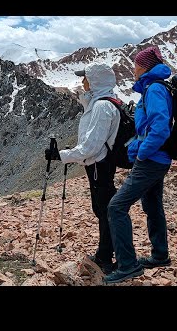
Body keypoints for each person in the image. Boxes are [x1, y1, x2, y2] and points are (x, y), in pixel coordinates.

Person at [104, 45, 173, 284]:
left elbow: (160, 127)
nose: (133, 69)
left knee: (116, 207)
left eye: (135, 65)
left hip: (151, 160)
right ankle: (160, 255)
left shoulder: (154, 89)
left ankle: (128, 265)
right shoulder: (156, 87)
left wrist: (142, 153)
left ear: (143, 67)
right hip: (159, 159)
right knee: (152, 204)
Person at [45, 62, 120, 274]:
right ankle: (107, 253)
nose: (82, 81)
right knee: (103, 209)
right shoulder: (101, 103)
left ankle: (106, 257)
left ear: (95, 80)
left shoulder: (101, 107)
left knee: (104, 209)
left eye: (85, 77)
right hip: (99, 163)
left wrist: (62, 156)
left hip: (99, 164)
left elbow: (91, 146)